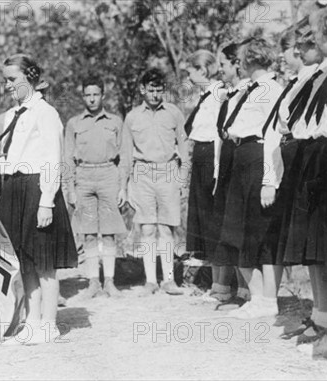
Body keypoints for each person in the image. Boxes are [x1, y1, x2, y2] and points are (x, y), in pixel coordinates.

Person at [0, 53, 77, 345]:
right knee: (24, 260)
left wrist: (47, 201)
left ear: (31, 76)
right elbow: (13, 159)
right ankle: (32, 321)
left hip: (38, 189)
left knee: (44, 261)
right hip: (16, 189)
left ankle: (49, 324)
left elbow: (52, 159)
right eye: (6, 81)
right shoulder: (15, 115)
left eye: (13, 79)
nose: (8, 86)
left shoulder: (46, 112)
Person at [214, 38, 284, 320]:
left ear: (254, 58)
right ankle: (257, 297)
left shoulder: (270, 89)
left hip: (258, 158)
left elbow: (274, 134)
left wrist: (270, 180)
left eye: (242, 58)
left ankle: (268, 300)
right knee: (235, 231)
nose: (237, 62)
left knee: (260, 232)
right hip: (240, 157)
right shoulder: (247, 89)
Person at [278, 10, 327, 358]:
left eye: (313, 35)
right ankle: (325, 320)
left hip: (326, 153)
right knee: (319, 248)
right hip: (313, 155)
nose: (305, 45)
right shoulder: (320, 75)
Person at [123, 68, 188, 296]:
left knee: (167, 228)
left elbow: (184, 147)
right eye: (151, 90)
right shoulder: (132, 117)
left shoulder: (174, 113)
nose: (155, 95)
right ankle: (150, 280)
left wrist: (182, 179)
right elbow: (126, 154)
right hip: (142, 173)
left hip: (169, 171)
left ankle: (169, 280)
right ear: (142, 90)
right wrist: (124, 186)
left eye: (159, 90)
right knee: (147, 228)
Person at [64, 75, 127, 298]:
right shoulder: (74, 123)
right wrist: (70, 188)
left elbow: (125, 156)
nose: (91, 99)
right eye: (87, 95)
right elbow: (67, 159)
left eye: (95, 94)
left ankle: (109, 282)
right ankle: (93, 283)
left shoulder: (115, 121)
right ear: (83, 96)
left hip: (109, 174)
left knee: (109, 232)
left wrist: (123, 187)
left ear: (102, 95)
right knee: (88, 233)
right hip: (84, 176)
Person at [182, 50, 228, 302]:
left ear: (203, 70)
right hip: (200, 156)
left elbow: (219, 135)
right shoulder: (204, 96)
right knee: (202, 219)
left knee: (214, 219)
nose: (189, 74)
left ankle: (223, 286)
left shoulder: (220, 94)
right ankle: (214, 283)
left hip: (212, 157)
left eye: (192, 69)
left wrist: (217, 169)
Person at [211, 40, 252, 310]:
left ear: (237, 63)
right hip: (225, 161)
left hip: (243, 160)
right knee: (228, 225)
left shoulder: (250, 91)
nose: (220, 70)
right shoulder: (229, 93)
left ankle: (249, 292)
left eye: (223, 64)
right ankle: (236, 288)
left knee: (243, 225)